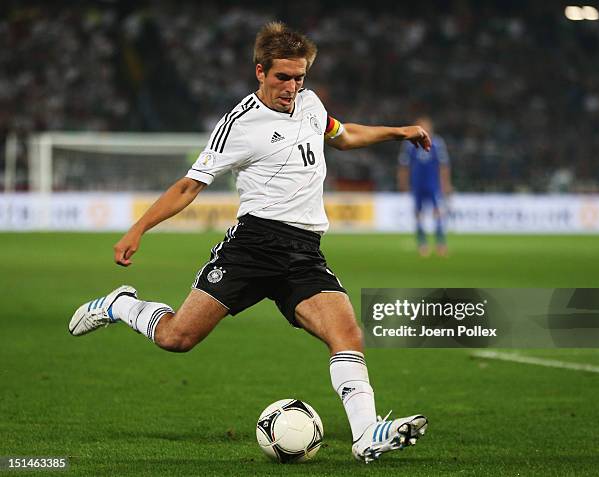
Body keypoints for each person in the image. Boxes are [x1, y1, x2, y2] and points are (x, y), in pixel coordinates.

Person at [69, 22, 430, 463]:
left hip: (304, 252)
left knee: (347, 333)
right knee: (178, 338)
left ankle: (366, 434)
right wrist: (138, 229)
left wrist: (400, 132)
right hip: (253, 246)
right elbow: (189, 186)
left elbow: (343, 135)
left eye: (300, 77)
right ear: (260, 71)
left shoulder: (311, 105)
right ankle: (119, 305)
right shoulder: (238, 124)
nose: (292, 87)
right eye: (283, 77)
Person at [397, 116, 452, 256]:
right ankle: (422, 244)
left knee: (438, 212)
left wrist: (445, 184)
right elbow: (404, 166)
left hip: (433, 184)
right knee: (418, 214)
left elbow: (444, 166)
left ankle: (440, 243)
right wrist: (403, 183)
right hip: (417, 184)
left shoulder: (437, 143)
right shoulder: (409, 144)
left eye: (426, 126)